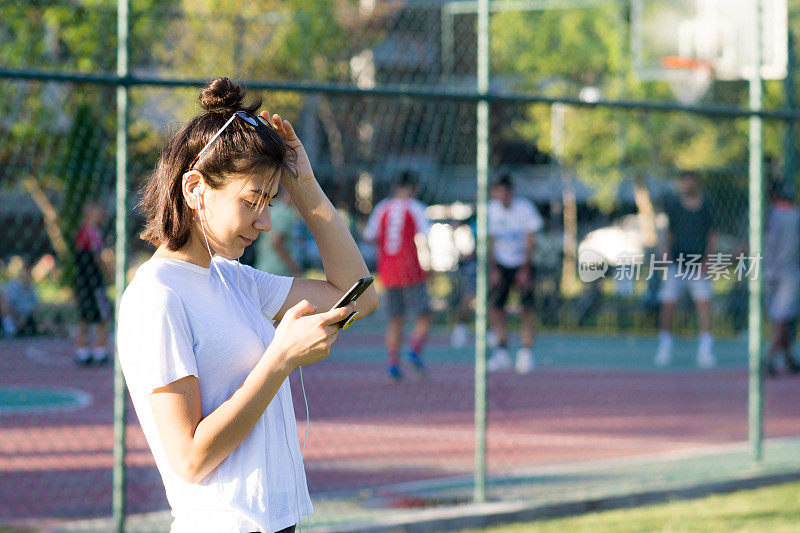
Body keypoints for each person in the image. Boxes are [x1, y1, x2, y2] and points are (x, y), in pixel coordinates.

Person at [117, 77, 377, 533]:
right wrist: (279, 359)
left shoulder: (233, 278)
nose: (265, 220)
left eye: (271, 200)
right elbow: (191, 459)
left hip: (276, 524)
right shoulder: (156, 296)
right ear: (195, 187)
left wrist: (307, 186)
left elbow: (357, 294)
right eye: (251, 199)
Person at [363, 170, 431, 381]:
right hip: (411, 269)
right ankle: (414, 349)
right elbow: (424, 238)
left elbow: (369, 236)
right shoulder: (416, 207)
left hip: (389, 271)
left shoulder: (383, 207)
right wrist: (429, 266)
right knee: (424, 313)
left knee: (395, 318)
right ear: (413, 188)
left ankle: (393, 362)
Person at [655, 171, 718, 369]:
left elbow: (713, 234)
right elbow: (669, 233)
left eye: (691, 181)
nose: (687, 185)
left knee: (704, 305)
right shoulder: (673, 205)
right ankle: (665, 346)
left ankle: (705, 350)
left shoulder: (708, 205)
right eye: (684, 181)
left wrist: (708, 259)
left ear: (696, 182)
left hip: (698, 265)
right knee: (667, 304)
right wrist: (664, 252)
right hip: (676, 264)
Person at [486, 174, 544, 374]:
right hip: (501, 264)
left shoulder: (525, 209)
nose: (499, 196)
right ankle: (501, 351)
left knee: (526, 309)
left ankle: (526, 352)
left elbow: (531, 241)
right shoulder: (491, 211)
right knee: (496, 307)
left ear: (510, 193)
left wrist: (525, 269)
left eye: (502, 192)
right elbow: (490, 242)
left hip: (522, 263)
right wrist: (493, 269)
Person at [764, 180, 800, 377]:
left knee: (779, 317)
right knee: (782, 317)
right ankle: (770, 358)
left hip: (769, 271)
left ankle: (786, 357)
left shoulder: (768, 214)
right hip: (789, 271)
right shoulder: (795, 215)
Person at [73, 202, 113, 365]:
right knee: (103, 316)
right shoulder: (92, 232)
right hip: (93, 282)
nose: (101, 215)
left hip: (82, 282)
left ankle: (83, 352)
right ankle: (100, 351)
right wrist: (107, 270)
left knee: (84, 316)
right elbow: (97, 256)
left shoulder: (81, 232)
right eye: (97, 212)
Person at [255, 187, 302, 277]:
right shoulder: (286, 213)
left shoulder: (273, 208)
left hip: (264, 266)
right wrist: (293, 265)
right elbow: (276, 242)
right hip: (278, 270)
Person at [1, 257, 39, 337]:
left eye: (29, 274)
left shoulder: (32, 289)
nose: (27, 276)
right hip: (15, 315)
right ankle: (10, 326)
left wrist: (25, 316)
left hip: (26, 317)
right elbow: (8, 304)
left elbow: (35, 306)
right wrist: (17, 316)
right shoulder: (14, 286)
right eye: (25, 273)